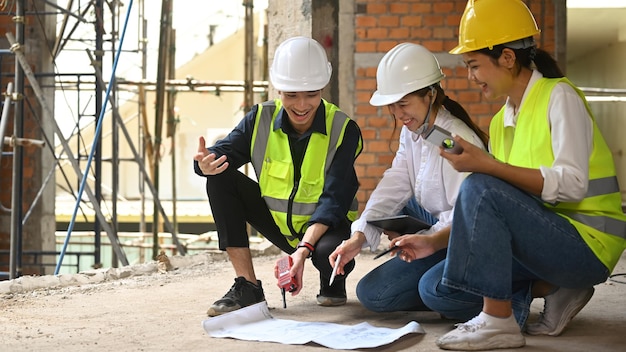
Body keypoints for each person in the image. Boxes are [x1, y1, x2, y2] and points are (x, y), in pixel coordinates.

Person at [402, 0, 626, 350]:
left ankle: (498, 320)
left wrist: (487, 166)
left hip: (587, 246)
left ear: (507, 57)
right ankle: (550, 288)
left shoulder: (559, 96)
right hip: (542, 246)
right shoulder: (500, 120)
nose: (470, 76)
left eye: (474, 65)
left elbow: (572, 184)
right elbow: (495, 212)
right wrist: (433, 241)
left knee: (479, 184)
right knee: (436, 288)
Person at [193, 36, 363, 316]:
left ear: (323, 87)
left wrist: (303, 250)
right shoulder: (260, 119)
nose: (301, 105)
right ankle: (247, 286)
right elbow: (221, 154)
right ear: (278, 88)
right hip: (278, 222)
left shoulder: (343, 129)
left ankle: (332, 278)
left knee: (329, 255)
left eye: (311, 94)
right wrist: (205, 164)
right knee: (220, 177)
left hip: (325, 230)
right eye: (291, 94)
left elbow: (335, 200)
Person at [328, 43, 488, 314]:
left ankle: (512, 296)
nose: (398, 114)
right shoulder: (415, 129)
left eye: (403, 104)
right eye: (392, 106)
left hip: (466, 236)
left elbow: (469, 219)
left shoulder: (456, 142)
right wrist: (359, 235)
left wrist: (426, 239)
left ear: (431, 95)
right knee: (372, 292)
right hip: (439, 222)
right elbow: (395, 184)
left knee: (426, 289)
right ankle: (441, 285)